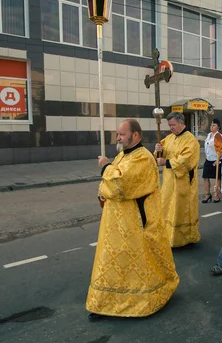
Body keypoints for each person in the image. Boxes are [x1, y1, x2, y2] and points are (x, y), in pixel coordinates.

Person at [87, 119, 179, 322]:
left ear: (135, 135)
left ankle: (140, 300)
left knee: (134, 264)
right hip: (114, 224)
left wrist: (105, 168)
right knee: (112, 262)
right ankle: (106, 302)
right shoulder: (122, 155)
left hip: (134, 223)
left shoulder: (144, 158)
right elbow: (111, 183)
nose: (117, 138)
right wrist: (103, 189)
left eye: (121, 134)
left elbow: (122, 184)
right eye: (117, 134)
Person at [155, 112, 201, 247]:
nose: (171, 128)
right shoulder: (169, 138)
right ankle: (167, 236)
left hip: (183, 183)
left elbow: (186, 161)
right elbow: (160, 155)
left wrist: (166, 162)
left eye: (173, 125)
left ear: (181, 123)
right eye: (169, 125)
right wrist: (159, 150)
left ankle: (184, 238)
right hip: (169, 181)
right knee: (167, 208)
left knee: (181, 210)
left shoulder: (191, 140)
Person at [202, 119, 222, 203]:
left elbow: (221, 150)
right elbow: (206, 148)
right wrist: (205, 159)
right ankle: (207, 194)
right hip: (208, 159)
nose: (212, 126)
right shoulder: (208, 135)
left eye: (214, 125)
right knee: (205, 177)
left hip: (216, 160)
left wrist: (217, 160)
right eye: (211, 125)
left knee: (217, 178)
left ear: (218, 127)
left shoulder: (219, 136)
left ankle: (216, 194)